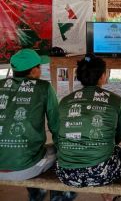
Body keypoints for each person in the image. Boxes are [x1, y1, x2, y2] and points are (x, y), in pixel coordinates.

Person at [0, 49, 75, 201]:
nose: (41, 69)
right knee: (62, 150)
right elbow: (56, 126)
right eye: (40, 66)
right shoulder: (43, 88)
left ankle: (38, 192)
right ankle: (60, 195)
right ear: (34, 70)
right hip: (23, 167)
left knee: (32, 149)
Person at [55, 54, 121, 201]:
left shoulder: (65, 101)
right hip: (101, 172)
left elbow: (58, 134)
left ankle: (67, 194)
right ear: (102, 76)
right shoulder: (115, 100)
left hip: (66, 173)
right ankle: (109, 194)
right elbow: (117, 138)